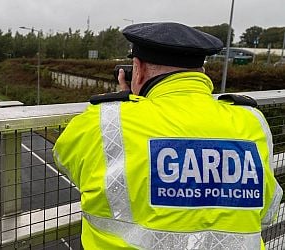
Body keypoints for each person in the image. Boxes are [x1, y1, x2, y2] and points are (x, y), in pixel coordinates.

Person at [53, 22, 282, 249]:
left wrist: (126, 105)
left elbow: (65, 159)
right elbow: (268, 211)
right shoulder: (251, 120)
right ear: (201, 72)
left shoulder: (104, 121)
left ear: (138, 69)